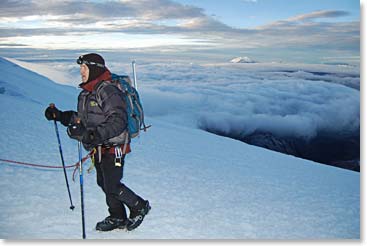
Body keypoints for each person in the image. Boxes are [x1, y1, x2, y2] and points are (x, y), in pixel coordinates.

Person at [44, 53, 150, 232]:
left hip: (115, 146)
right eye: (81, 68)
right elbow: (82, 120)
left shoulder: (107, 91)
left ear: (94, 69)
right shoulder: (86, 93)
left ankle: (139, 206)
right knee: (104, 183)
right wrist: (60, 116)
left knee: (113, 184)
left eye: (84, 68)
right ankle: (117, 216)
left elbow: (118, 120)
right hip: (99, 147)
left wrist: (91, 135)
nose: (81, 72)